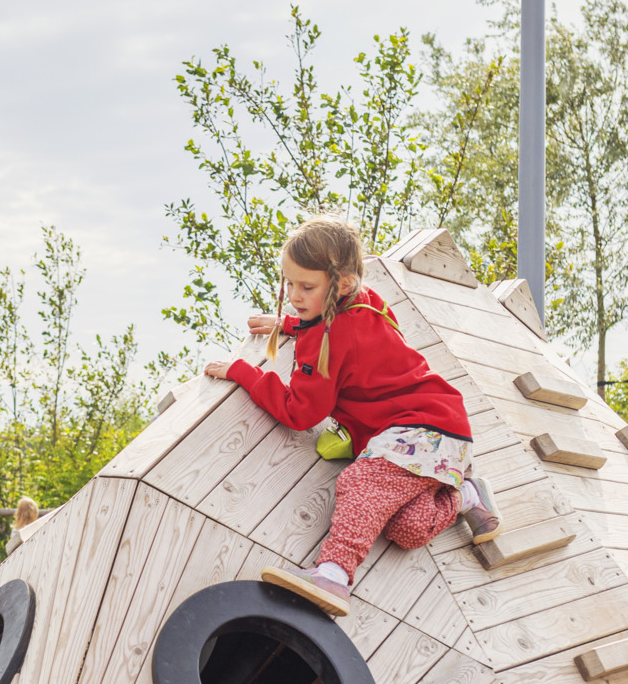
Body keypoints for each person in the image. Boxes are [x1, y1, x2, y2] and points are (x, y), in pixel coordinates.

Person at [202, 218, 499, 616]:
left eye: (306, 287)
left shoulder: (328, 339)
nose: (293, 295)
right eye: (289, 283)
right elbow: (342, 328)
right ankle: (467, 496)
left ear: (340, 284)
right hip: (447, 428)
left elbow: (301, 411)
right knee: (405, 529)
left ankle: (334, 574)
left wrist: (245, 372)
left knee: (361, 480)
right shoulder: (364, 299)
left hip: (418, 427)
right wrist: (290, 324)